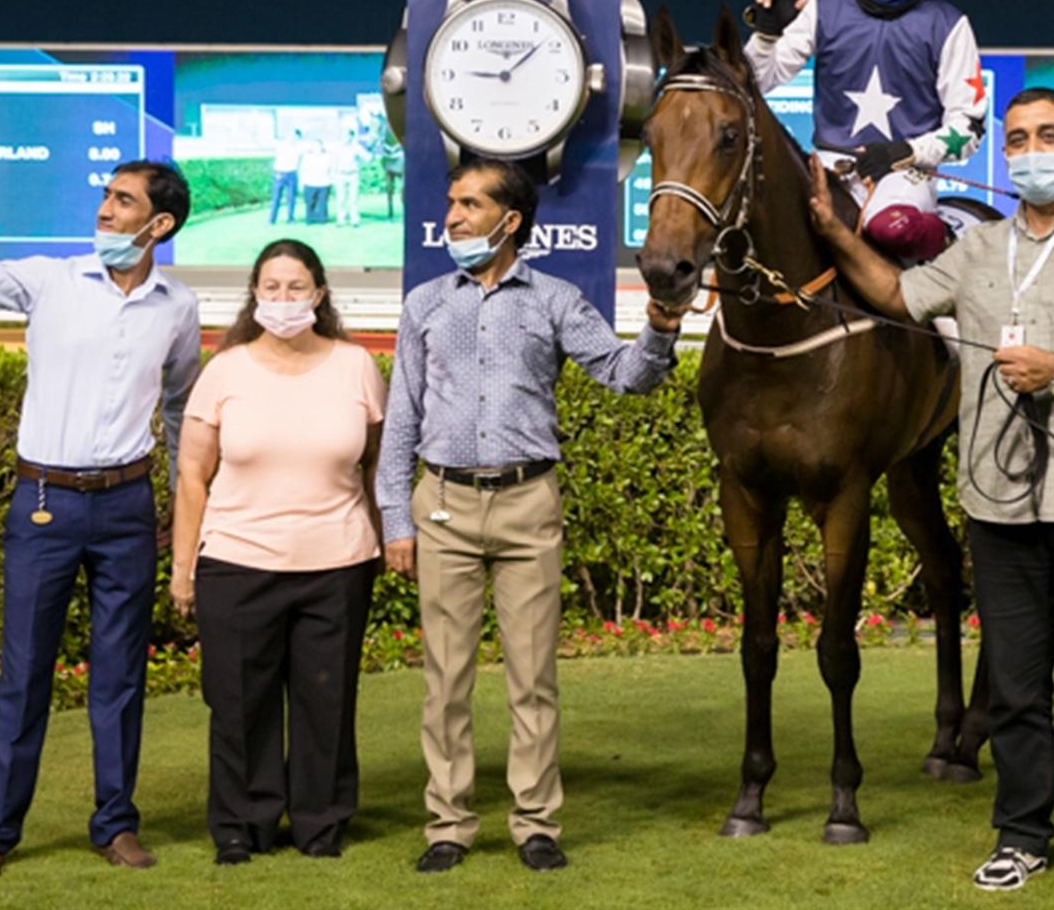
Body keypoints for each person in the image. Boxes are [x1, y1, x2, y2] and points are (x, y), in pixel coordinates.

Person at [806, 87, 1054, 903]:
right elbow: (898, 296)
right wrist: (838, 233)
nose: (1031, 151)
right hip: (1001, 506)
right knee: (1016, 689)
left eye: (1048, 136)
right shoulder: (978, 249)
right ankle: (1023, 835)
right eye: (1016, 139)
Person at [0, 155, 200, 881]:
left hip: (127, 508)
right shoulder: (50, 279)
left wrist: (180, 506)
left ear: (160, 223)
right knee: (23, 674)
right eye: (106, 196)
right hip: (44, 504)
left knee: (120, 678)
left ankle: (115, 825)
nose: (105, 210)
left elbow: (180, 411)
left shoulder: (178, 307)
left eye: (122, 200)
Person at [379, 158, 685, 876]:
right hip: (443, 505)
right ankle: (448, 824)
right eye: (451, 202)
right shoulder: (425, 303)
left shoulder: (555, 300)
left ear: (510, 221)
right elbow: (401, 420)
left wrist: (662, 330)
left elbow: (624, 374)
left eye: (467, 204)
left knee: (533, 678)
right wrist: (396, 516)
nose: (451, 216)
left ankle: (535, 823)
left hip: (527, 504)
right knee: (445, 679)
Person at [168, 239, 386, 865]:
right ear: (255, 295)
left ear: (319, 294)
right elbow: (192, 476)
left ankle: (321, 822)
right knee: (239, 702)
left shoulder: (355, 368)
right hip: (237, 563)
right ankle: (243, 823)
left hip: (337, 564)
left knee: (327, 702)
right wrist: (184, 569)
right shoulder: (226, 371)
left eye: (296, 287)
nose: (284, 299)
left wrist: (389, 537)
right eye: (271, 287)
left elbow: (374, 467)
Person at [746, 0, 985, 263]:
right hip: (824, 168)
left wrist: (905, 151)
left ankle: (950, 244)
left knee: (889, 230)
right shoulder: (823, 6)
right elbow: (756, 82)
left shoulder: (950, 25)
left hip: (903, 175)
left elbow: (969, 129)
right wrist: (766, 36)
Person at [298, 133, 332, 226]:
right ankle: (310, 219)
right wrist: (301, 184)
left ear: (322, 146)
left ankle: (322, 219)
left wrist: (332, 181)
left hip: (324, 183)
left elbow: (331, 169)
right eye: (315, 146)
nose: (317, 148)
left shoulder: (327, 157)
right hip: (309, 183)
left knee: (323, 203)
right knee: (310, 202)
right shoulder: (307, 157)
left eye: (318, 146)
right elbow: (302, 171)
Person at [270, 131, 302, 224]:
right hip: (280, 173)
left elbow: (298, 162)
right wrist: (277, 173)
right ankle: (272, 219)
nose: (294, 139)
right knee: (276, 197)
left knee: (291, 197)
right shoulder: (281, 146)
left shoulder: (298, 148)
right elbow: (277, 160)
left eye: (296, 138)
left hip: (292, 173)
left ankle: (290, 218)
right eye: (293, 136)